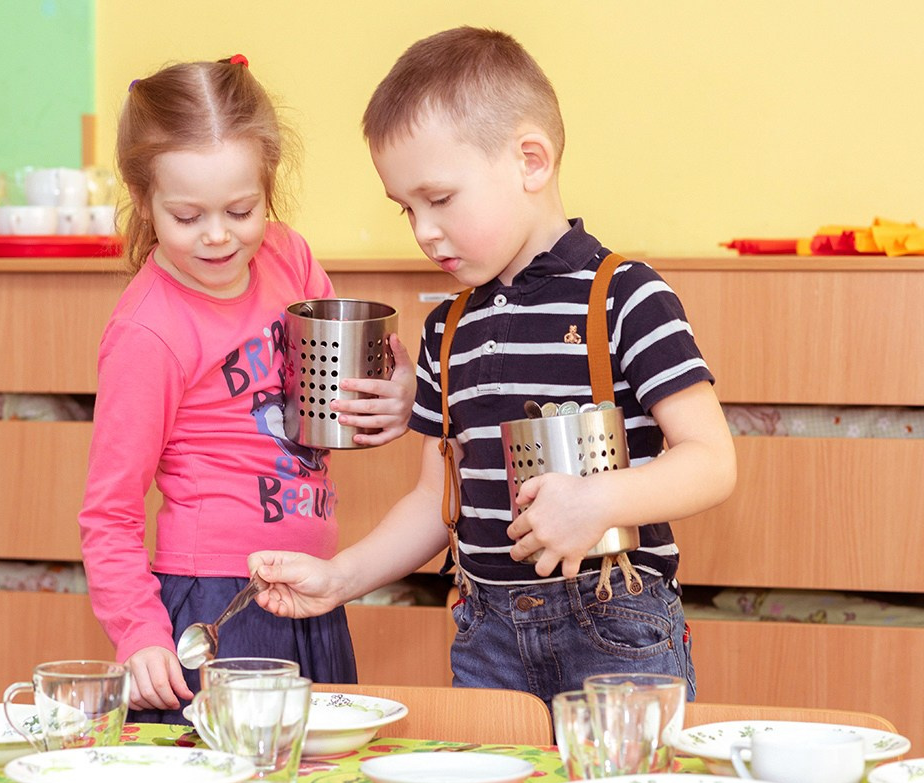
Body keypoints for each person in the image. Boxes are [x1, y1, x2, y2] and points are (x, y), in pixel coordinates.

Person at [249, 28, 736, 705]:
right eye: (407, 210)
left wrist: (598, 502)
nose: (423, 230)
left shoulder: (626, 295)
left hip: (617, 625)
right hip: (487, 634)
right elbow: (432, 502)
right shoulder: (448, 329)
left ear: (530, 162)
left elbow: (712, 459)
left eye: (440, 199)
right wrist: (341, 577)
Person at [79, 55, 415, 723]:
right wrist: (139, 633)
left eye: (241, 209)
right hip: (218, 602)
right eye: (186, 215)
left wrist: (402, 387)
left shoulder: (286, 255)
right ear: (144, 201)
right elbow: (108, 514)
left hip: (314, 588)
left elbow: (356, 368)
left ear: (268, 188)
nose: (217, 235)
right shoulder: (150, 332)